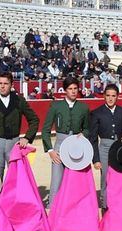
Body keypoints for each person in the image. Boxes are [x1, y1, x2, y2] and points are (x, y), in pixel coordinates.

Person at [0, 72, 39, 179]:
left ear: (12, 85)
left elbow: (34, 119)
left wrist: (27, 137)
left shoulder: (19, 100)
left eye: (6, 83)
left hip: (14, 143)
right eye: (0, 83)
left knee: (17, 177)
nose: (2, 86)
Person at [41, 76, 90, 207]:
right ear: (65, 90)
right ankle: (52, 208)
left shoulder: (83, 108)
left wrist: (83, 134)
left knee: (75, 180)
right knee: (56, 180)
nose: (73, 91)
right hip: (59, 144)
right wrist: (50, 150)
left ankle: (73, 210)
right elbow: (45, 130)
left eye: (75, 88)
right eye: (70, 89)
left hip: (76, 145)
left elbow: (87, 129)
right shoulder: (56, 106)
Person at [89, 84, 122, 211]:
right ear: (104, 96)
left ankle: (119, 203)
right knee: (105, 177)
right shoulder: (96, 113)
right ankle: (105, 206)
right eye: (108, 95)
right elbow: (92, 138)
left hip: (119, 148)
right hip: (104, 148)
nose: (110, 98)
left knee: (120, 176)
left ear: (117, 97)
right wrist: (96, 159)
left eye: (113, 96)